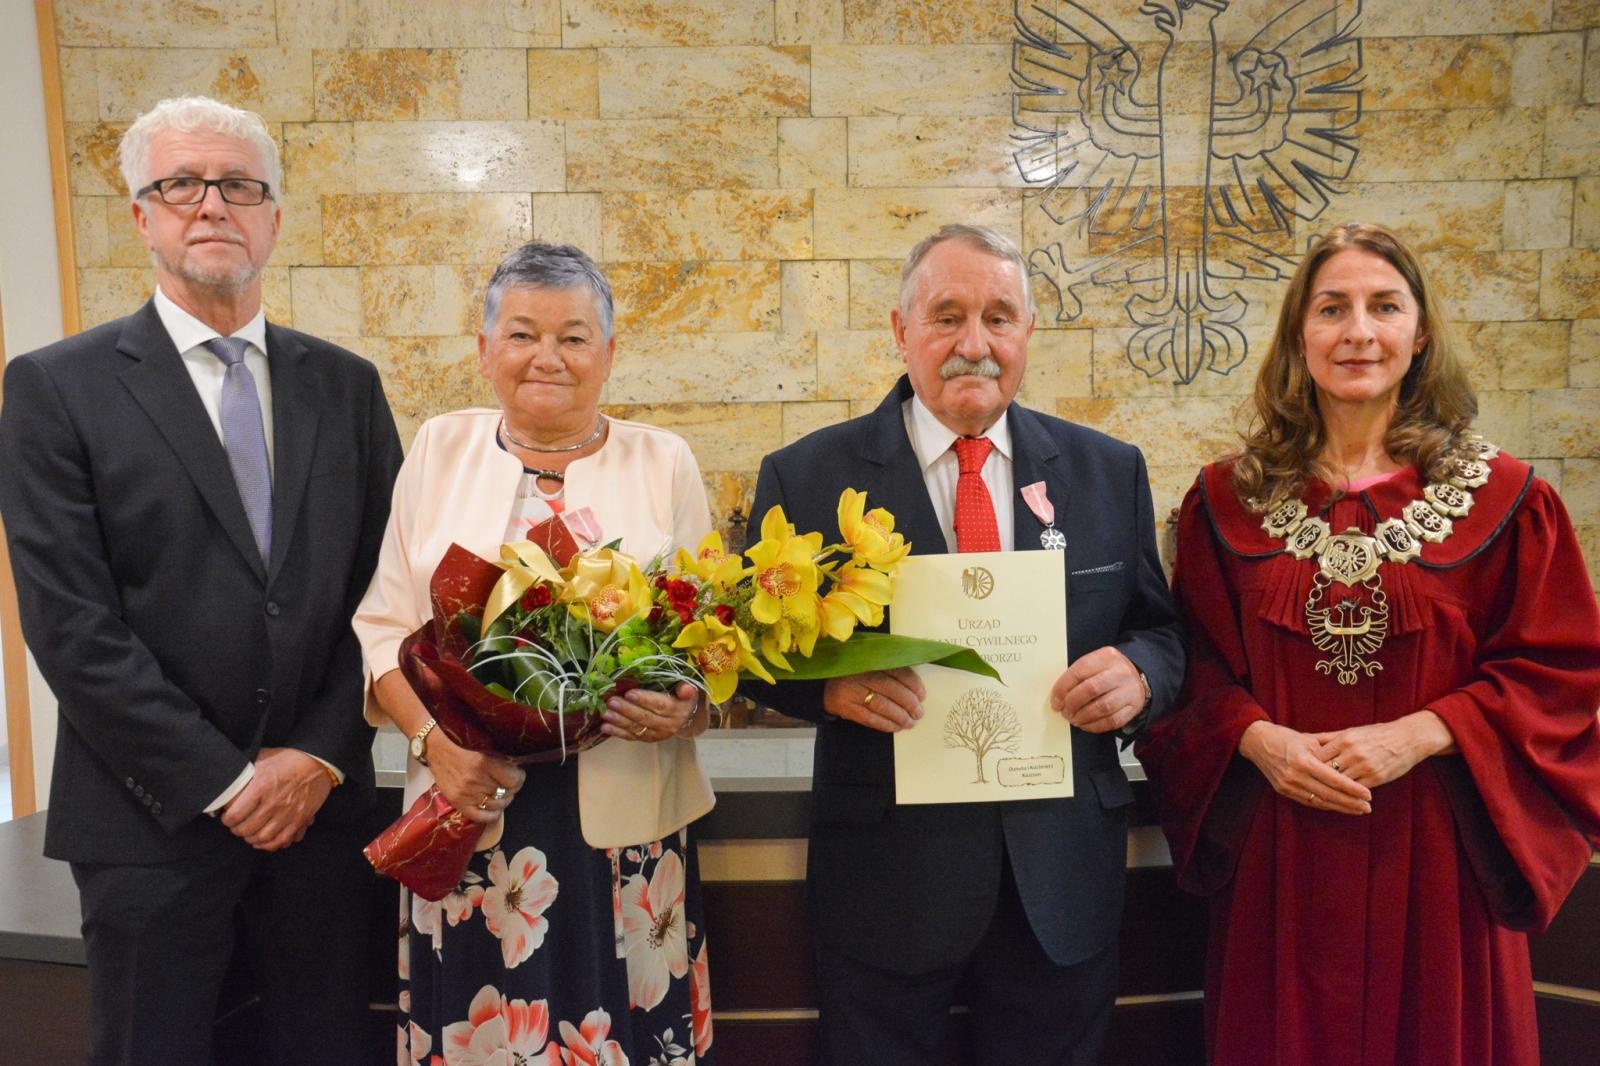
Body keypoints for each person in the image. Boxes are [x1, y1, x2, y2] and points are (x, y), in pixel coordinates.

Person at [1136, 222, 1600, 1065]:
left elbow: (1558, 674)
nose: (1358, 331)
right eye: (1332, 309)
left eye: (1384, 307)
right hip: (1279, 856)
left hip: (1440, 862)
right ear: (1298, 337)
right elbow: (1188, 668)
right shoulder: (1223, 503)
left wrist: (1422, 732)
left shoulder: (1510, 502)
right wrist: (1257, 739)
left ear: (1419, 335)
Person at [0, 96, 402, 1064]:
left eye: (239, 186)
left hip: (321, 823)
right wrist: (226, 782)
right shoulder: (55, 387)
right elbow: (72, 626)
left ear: (274, 217)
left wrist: (317, 756)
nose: (212, 204)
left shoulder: (345, 385)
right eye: (181, 184)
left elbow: (386, 594)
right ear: (142, 216)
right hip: (148, 827)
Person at [745, 223, 1184, 1064]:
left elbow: (1160, 630)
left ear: (1027, 333)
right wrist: (827, 686)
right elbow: (751, 648)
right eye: (947, 316)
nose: (974, 344)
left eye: (999, 317)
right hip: (886, 881)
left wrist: (1139, 673)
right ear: (900, 329)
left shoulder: (1107, 470)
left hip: (1059, 875)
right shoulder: (806, 477)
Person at [353, 241, 718, 1063]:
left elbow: (709, 636)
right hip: (471, 803)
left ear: (609, 354)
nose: (546, 357)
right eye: (521, 334)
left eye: (573, 337)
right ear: (484, 351)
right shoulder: (438, 450)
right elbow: (382, 629)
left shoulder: (663, 460)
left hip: (626, 821)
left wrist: (684, 702)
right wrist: (435, 747)